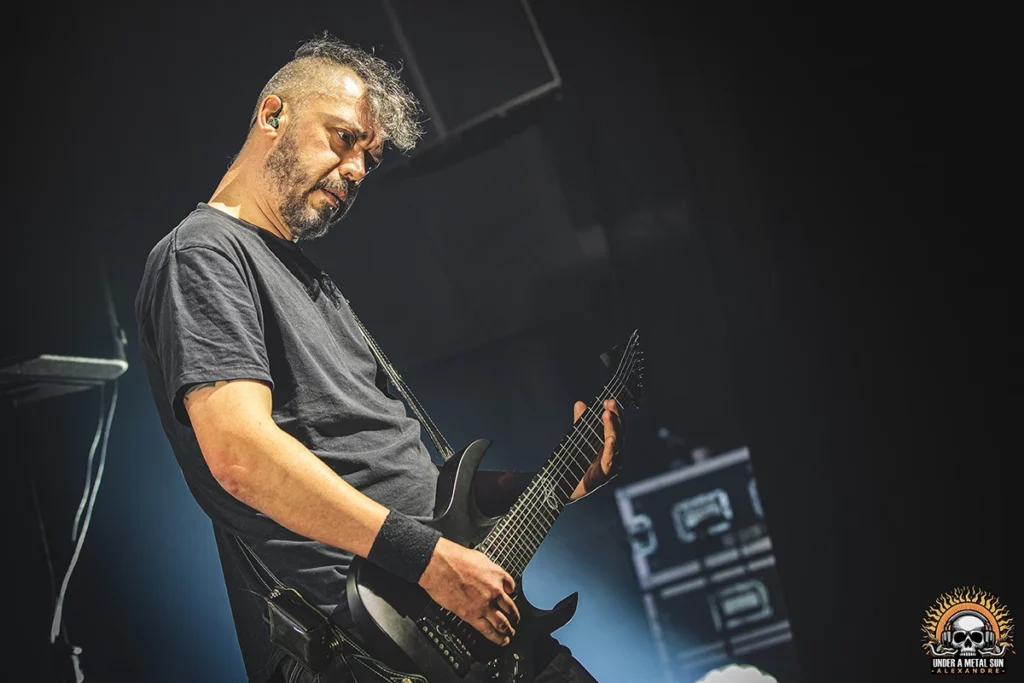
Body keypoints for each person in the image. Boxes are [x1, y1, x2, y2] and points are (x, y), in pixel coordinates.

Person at [134, 34, 623, 683]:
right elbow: (240, 454)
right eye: (343, 138)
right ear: (273, 115)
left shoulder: (314, 284)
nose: (360, 169)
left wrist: (552, 479)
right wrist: (429, 561)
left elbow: (414, 488)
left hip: (454, 627)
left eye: (370, 157)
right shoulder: (203, 254)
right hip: (366, 646)